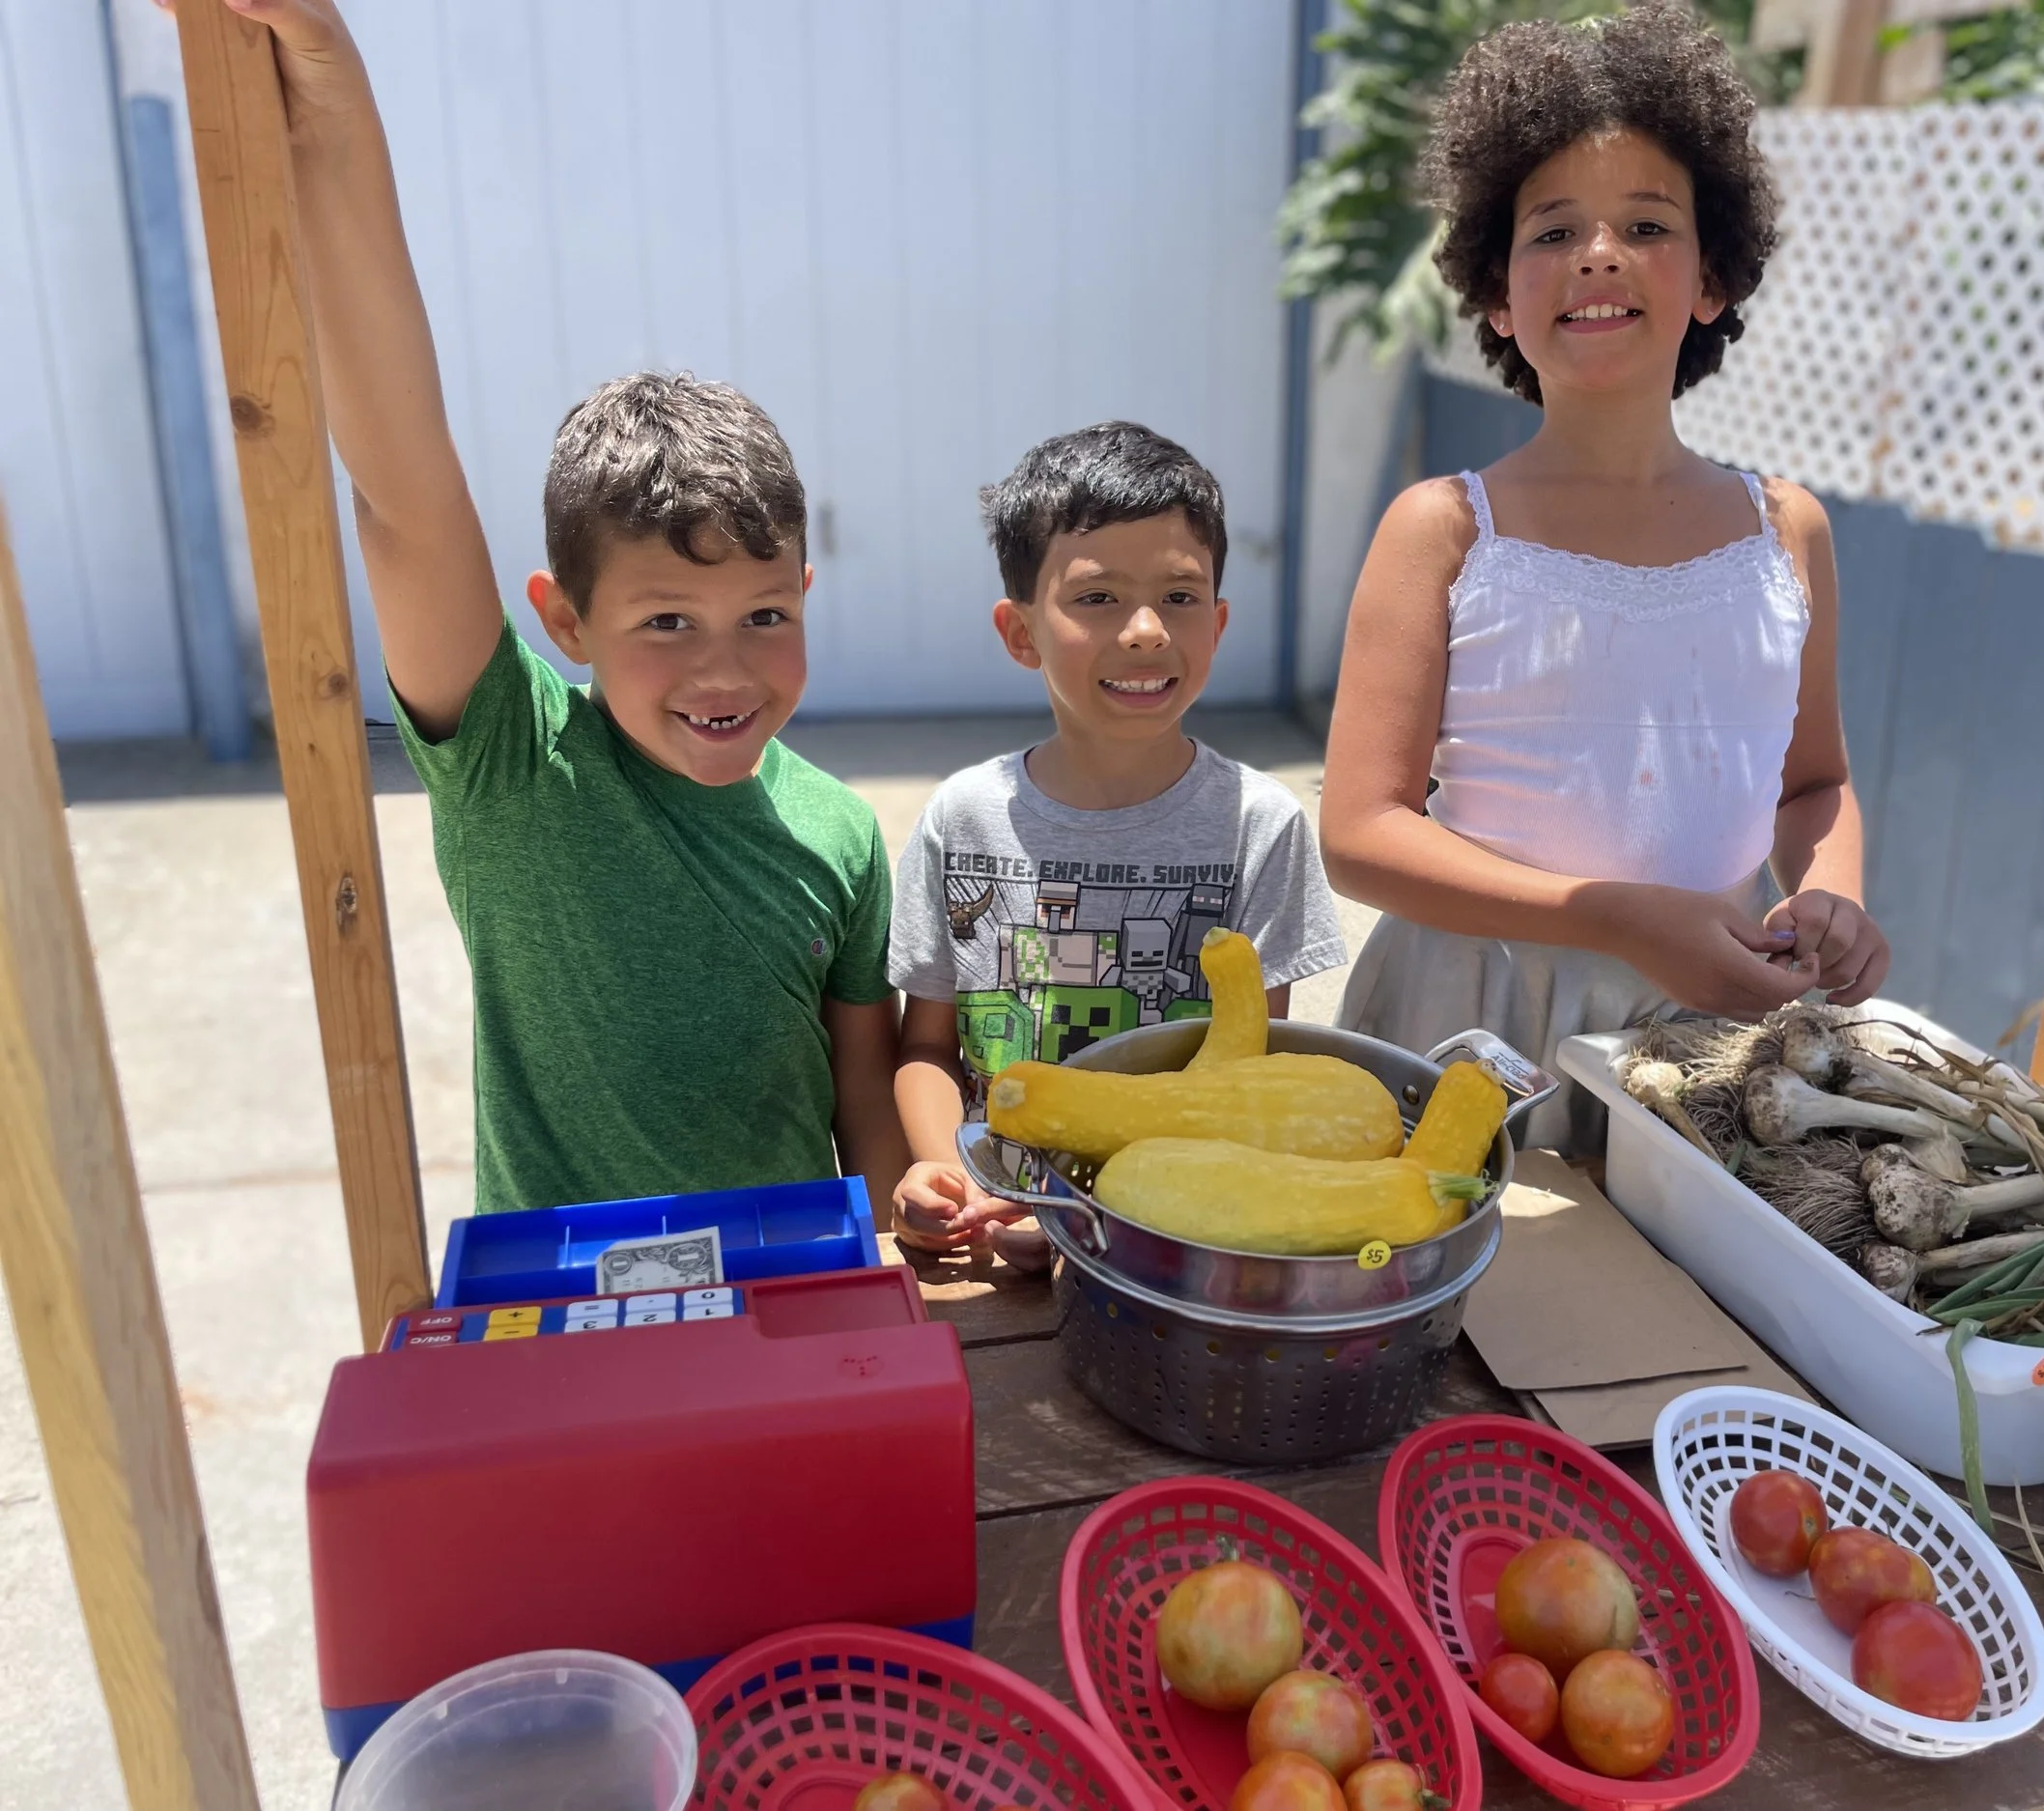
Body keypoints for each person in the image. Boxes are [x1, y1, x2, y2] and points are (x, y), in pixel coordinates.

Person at [220, 0, 909, 1215]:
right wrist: (332, 102)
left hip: (787, 1312)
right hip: (556, 1322)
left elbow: (863, 1101)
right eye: (664, 622)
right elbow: (401, 485)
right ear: (564, 621)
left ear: (805, 591)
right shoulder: (515, 764)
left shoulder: (843, 836)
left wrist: (921, 1204)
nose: (725, 671)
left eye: (762, 614)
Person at [1319, 5, 1889, 1154]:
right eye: (1551, 230)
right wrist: (1610, 918)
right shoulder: (1442, 529)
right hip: (1468, 1026)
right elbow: (1360, 832)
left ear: (1713, 278)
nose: (1597, 252)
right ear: (1494, 291)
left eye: (1645, 222)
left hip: (1707, 1028)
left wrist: (1832, 894)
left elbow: (1811, 783)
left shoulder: (1788, 531)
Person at [888, 424, 1346, 1254]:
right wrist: (949, 1173)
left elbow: (1252, 1073)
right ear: (1020, 631)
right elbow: (925, 1045)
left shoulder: (1260, 825)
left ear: (1219, 620)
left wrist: (1110, 1215)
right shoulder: (960, 817)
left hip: (1175, 1230)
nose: (1145, 629)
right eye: (1098, 597)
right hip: (992, 1213)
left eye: (1179, 595)